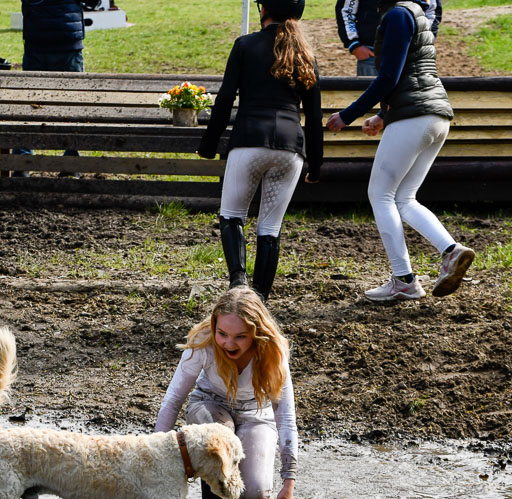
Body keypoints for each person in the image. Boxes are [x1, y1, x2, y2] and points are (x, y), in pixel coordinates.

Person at [326, 0, 475, 302]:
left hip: (415, 117)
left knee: (380, 195)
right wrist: (383, 117)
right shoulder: (415, 13)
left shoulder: (396, 15)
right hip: (436, 115)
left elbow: (388, 78)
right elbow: (411, 72)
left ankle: (404, 279)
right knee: (404, 198)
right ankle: (451, 251)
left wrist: (348, 115)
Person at [197, 0, 323, 302]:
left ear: (263, 9)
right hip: (291, 150)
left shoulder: (245, 45)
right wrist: (316, 165)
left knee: (232, 216)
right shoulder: (306, 54)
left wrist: (209, 145)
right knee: (270, 228)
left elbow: (225, 98)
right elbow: (314, 116)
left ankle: (238, 285)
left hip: (250, 140)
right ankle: (260, 300)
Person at [155, 287, 297, 499]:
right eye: (222, 334)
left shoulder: (273, 351)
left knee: (254, 495)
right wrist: (156, 460)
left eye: (240, 336)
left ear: (256, 333)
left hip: (256, 413)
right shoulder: (204, 342)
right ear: (214, 327)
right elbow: (172, 401)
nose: (229, 344)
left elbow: (286, 418)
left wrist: (288, 482)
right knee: (219, 444)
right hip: (210, 405)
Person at [13, 0, 85, 178]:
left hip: (37, 39)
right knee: (71, 104)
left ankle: (22, 161)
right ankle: (71, 162)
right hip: (68, 39)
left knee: (29, 104)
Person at [335, 0, 379, 77]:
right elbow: (346, 12)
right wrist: (354, 45)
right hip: (370, 55)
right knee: (369, 88)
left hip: (404, 54)